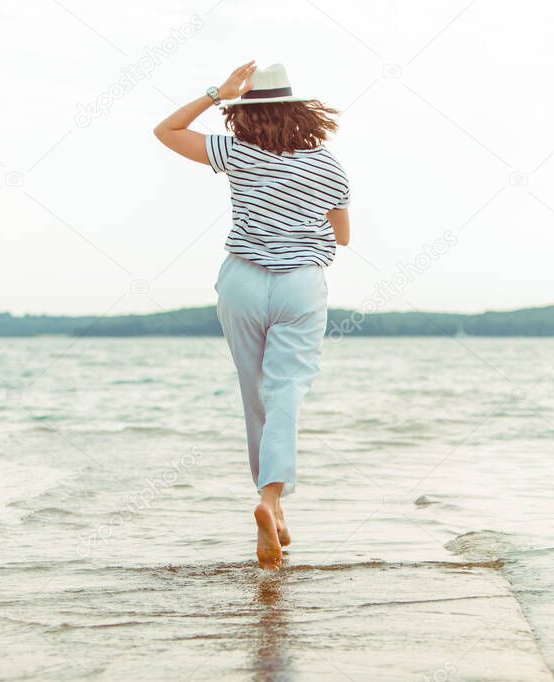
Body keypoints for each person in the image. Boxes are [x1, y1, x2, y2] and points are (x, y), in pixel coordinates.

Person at [153, 61, 351, 570]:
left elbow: (166, 131)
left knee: (254, 393)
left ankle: (275, 508)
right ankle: (271, 501)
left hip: (242, 279)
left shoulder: (237, 152)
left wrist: (216, 93)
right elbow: (344, 236)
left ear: (247, 113)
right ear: (299, 110)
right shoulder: (328, 165)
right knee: (285, 394)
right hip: (300, 283)